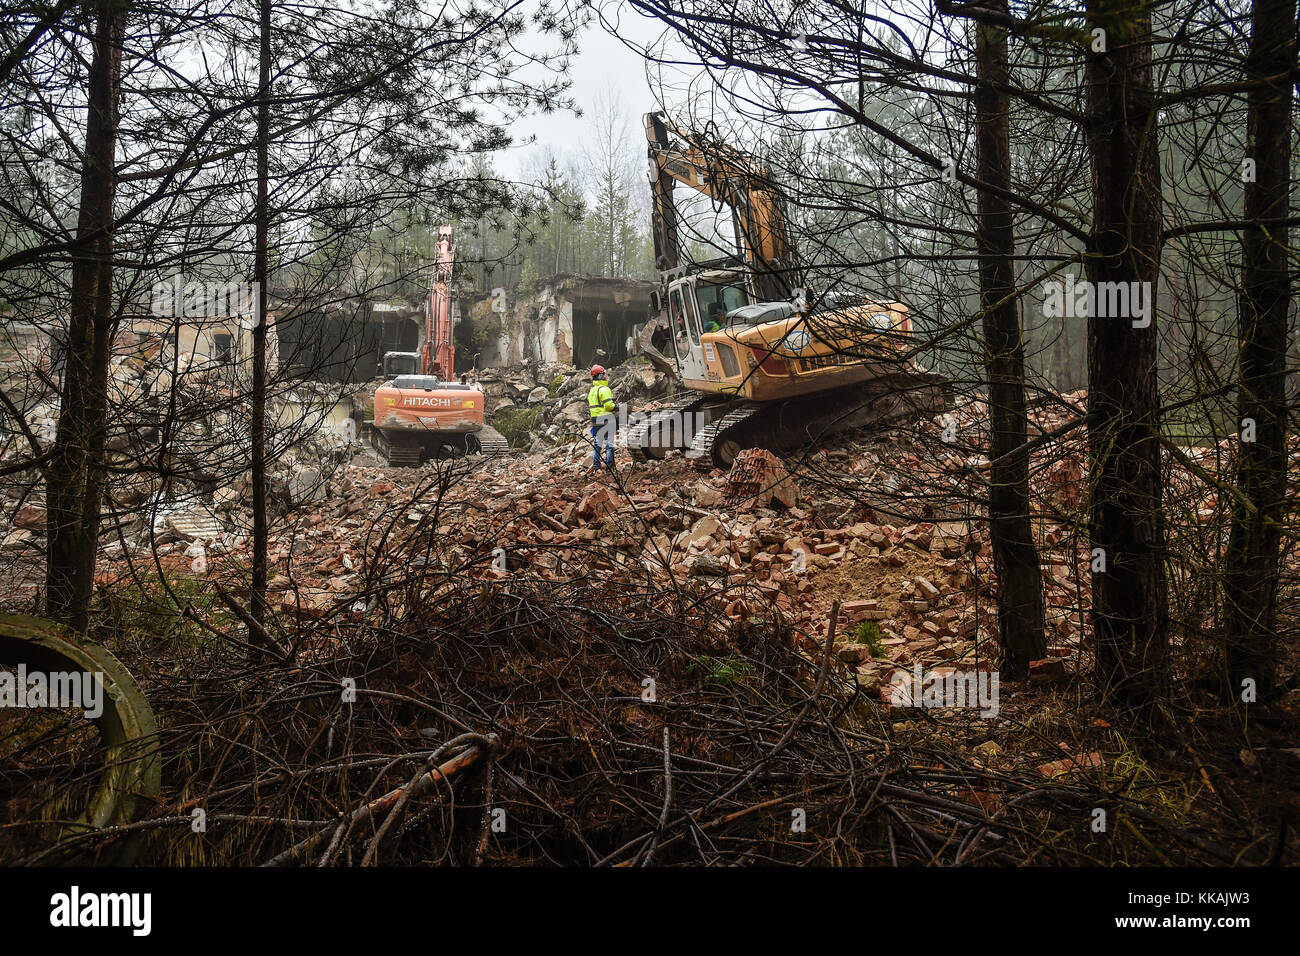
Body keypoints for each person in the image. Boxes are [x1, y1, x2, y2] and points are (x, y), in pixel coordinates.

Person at [587, 364, 617, 471]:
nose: (605, 376)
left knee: (597, 444)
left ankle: (596, 466)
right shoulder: (604, 389)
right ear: (600, 376)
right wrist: (616, 407)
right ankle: (609, 467)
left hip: (595, 420)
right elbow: (609, 406)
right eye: (603, 374)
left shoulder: (592, 390)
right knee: (609, 444)